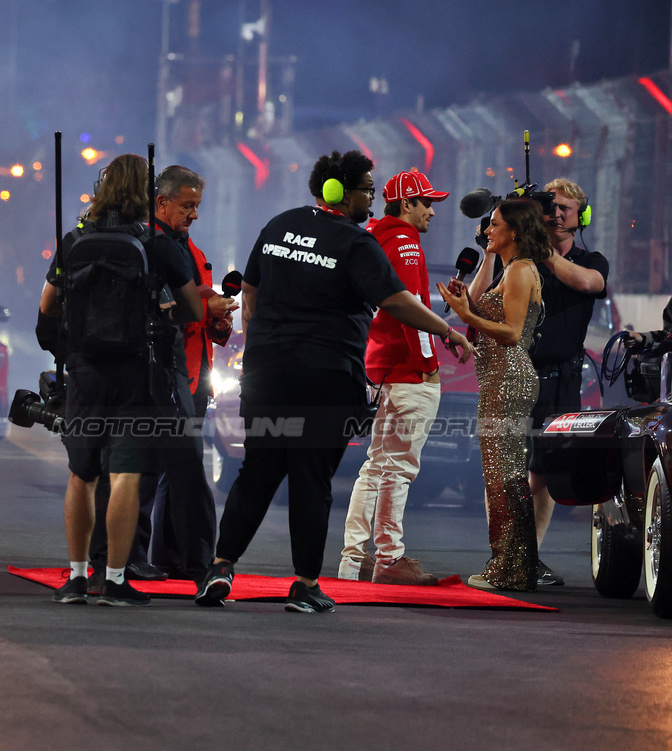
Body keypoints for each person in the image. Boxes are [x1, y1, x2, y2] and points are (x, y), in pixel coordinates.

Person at [196, 150, 473, 613]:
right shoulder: (354, 243)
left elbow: (251, 292)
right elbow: (397, 301)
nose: (371, 196)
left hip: (267, 377)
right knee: (311, 479)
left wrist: (265, 342)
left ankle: (221, 567)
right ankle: (304, 586)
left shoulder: (278, 226)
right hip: (325, 379)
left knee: (257, 472)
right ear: (337, 191)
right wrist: (447, 330)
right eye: (366, 188)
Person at [38, 153, 203, 607]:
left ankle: (75, 578)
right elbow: (193, 309)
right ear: (147, 194)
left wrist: (67, 352)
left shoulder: (74, 240)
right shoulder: (157, 243)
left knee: (81, 474)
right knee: (126, 475)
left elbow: (47, 307)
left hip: (86, 374)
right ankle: (114, 580)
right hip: (138, 373)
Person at [467, 178, 606, 587]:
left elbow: (587, 283)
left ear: (580, 216)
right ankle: (509, 553)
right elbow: (476, 301)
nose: (556, 214)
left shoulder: (586, 259)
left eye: (565, 208)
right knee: (505, 469)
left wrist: (536, 247)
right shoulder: (516, 263)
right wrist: (491, 249)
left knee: (542, 471)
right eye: (550, 208)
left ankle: (529, 554)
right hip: (514, 376)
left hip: (558, 380)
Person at [338, 170, 450, 585]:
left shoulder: (372, 235)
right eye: (427, 202)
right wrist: (429, 362)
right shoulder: (405, 242)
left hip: (379, 366)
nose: (432, 212)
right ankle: (389, 557)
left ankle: (354, 559)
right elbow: (407, 307)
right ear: (406, 205)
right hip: (406, 369)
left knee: (375, 466)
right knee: (398, 469)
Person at [437, 198, 549, 591]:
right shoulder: (511, 269)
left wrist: (467, 316)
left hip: (509, 380)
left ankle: (511, 568)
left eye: (495, 225)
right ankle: (516, 566)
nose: (488, 230)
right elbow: (494, 325)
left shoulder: (519, 272)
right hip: (499, 378)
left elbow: (513, 334)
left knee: (506, 477)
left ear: (514, 231)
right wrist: (467, 306)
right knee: (503, 476)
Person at [147, 165, 237, 586]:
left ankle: (171, 556)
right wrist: (205, 310)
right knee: (166, 469)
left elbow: (194, 311)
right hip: (166, 374)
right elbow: (159, 311)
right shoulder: (152, 247)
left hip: (196, 374)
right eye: (187, 206)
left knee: (175, 470)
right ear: (161, 202)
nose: (194, 214)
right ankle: (188, 560)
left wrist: (217, 324)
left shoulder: (192, 251)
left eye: (198, 206)